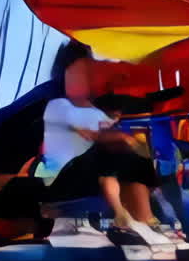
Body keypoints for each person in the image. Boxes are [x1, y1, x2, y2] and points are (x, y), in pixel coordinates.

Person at [39, 41, 165, 244]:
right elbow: (89, 134)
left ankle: (135, 220)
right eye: (83, 71)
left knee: (128, 155)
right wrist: (122, 138)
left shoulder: (87, 104)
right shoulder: (58, 103)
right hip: (60, 177)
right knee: (121, 153)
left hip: (84, 172)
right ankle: (135, 219)